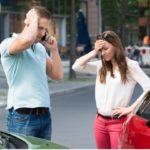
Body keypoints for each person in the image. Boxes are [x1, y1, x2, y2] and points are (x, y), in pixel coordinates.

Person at [72, 30, 150, 149]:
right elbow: (76, 66)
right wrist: (94, 52)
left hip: (118, 123)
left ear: (116, 46)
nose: (103, 53)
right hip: (99, 122)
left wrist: (131, 108)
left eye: (106, 48)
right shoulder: (101, 66)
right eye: (101, 50)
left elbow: (148, 87)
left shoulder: (130, 66)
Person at [0, 6, 63, 140]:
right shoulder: (8, 44)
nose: (42, 33)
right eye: (40, 28)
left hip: (44, 116)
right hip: (22, 117)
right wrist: (33, 17)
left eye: (45, 29)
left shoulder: (40, 48)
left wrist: (54, 50)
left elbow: (57, 75)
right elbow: (27, 40)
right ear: (28, 23)